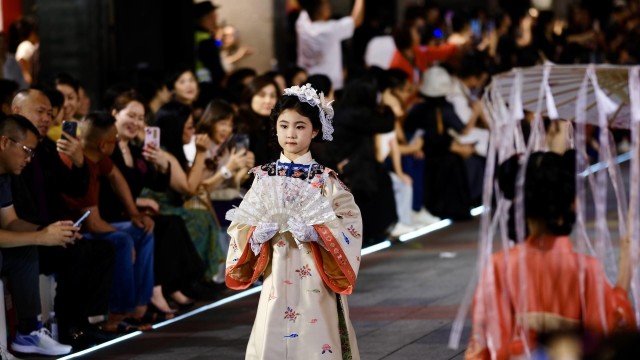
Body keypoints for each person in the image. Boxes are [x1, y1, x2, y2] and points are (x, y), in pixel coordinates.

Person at [225, 83, 363, 358]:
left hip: (315, 268)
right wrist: (254, 234)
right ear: (275, 128)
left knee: (316, 328)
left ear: (314, 130)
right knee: (273, 325)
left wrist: (318, 232)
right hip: (276, 269)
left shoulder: (325, 179)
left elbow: (350, 220)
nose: (290, 133)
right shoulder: (264, 177)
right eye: (284, 125)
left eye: (300, 126)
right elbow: (239, 225)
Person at [465, 150, 635, 359]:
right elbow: (605, 334)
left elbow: (485, 343)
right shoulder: (585, 270)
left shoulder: (498, 267)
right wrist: (626, 267)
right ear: (571, 203)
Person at [11, 88, 116, 348]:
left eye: (50, 113)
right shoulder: (9, 154)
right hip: (26, 235)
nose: (47, 118)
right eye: (40, 111)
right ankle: (69, 328)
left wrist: (78, 159)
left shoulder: (46, 150)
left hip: (47, 230)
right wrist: (46, 232)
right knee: (76, 253)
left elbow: (75, 188)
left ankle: (86, 323)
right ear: (17, 112)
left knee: (101, 249)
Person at [62, 112, 155, 334]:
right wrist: (127, 237)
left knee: (143, 229)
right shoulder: (78, 164)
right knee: (123, 239)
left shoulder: (99, 158)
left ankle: (139, 307)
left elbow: (116, 177)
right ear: (103, 144)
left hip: (93, 225)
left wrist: (134, 213)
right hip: (76, 231)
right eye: (115, 139)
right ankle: (117, 313)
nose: (119, 142)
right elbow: (93, 224)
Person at [0, 114, 76, 357]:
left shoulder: (4, 177)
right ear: (4, 142)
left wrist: (50, 232)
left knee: (26, 249)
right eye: (26, 150)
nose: (29, 159)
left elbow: (10, 221)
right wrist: (40, 236)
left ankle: (29, 332)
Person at [296, 0, 365, 92]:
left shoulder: (301, 23)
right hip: (329, 87)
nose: (329, 5)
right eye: (326, 3)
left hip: (307, 84)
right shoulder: (329, 30)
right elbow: (356, 20)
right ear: (319, 9)